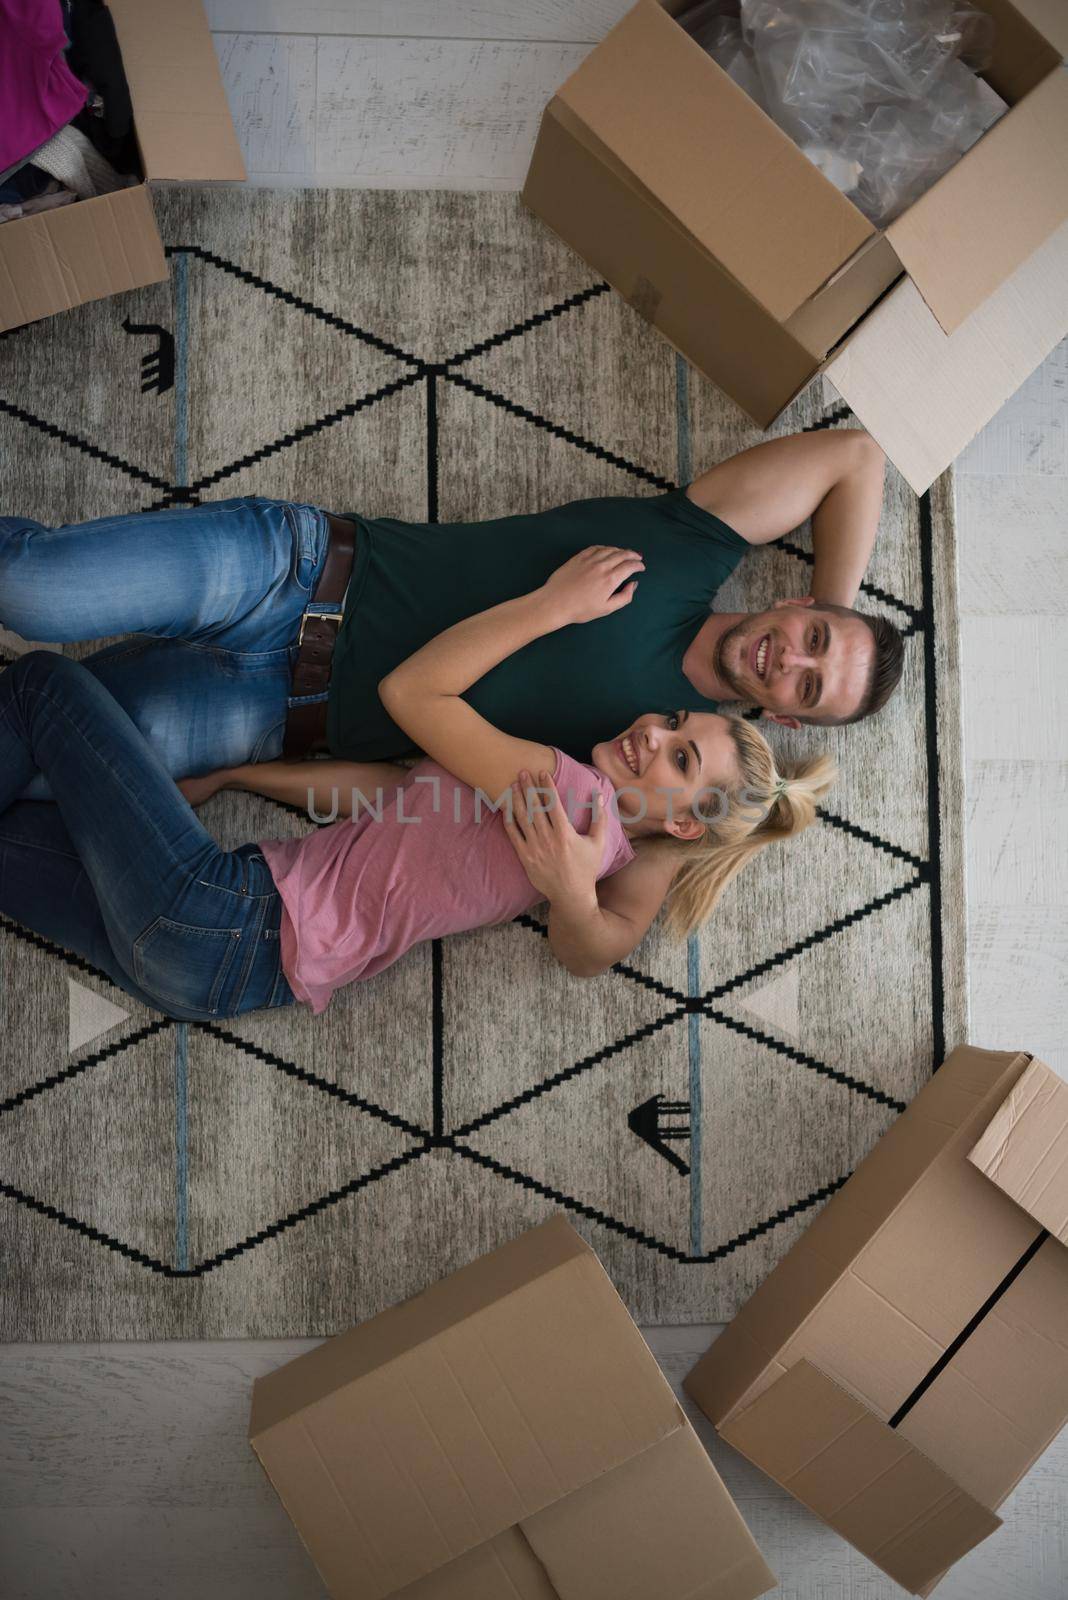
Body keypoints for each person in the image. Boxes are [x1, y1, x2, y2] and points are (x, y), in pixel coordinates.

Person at [0, 546, 833, 1020]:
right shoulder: (586, 848)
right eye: (679, 724)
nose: (657, 732)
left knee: (42, 685)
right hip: (217, 981)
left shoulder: (569, 796)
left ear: (685, 827)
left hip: (223, 917)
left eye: (681, 760)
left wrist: (551, 605)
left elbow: (411, 694)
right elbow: (391, 796)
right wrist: (231, 774)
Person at [0, 430, 898, 808]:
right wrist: (840, 609)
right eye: (813, 638)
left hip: (275, 714)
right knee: (32, 594)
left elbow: (428, 796)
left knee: (37, 768)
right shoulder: (697, 545)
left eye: (806, 690)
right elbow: (856, 456)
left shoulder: (655, 762)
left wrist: (248, 777)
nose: (790, 658)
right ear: (797, 601)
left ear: (782, 720)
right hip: (299, 569)